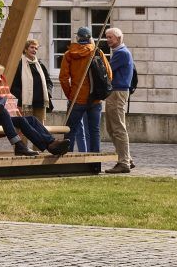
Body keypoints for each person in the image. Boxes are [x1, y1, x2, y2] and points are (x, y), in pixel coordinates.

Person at [59, 27, 110, 154]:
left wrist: (70, 94)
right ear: (90, 38)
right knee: (94, 131)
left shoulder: (69, 54)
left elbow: (63, 78)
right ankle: (95, 162)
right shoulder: (97, 52)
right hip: (95, 98)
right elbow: (108, 74)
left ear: (78, 38)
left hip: (77, 97)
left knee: (70, 130)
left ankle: (67, 158)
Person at [103, 26, 139, 174]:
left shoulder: (121, 53)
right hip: (116, 92)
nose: (107, 40)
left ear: (118, 38)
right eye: (107, 37)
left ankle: (123, 162)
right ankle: (127, 159)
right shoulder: (121, 53)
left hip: (117, 92)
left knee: (117, 128)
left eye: (110, 37)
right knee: (112, 128)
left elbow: (107, 70)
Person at [10, 37, 54, 126]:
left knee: (40, 128)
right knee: (24, 128)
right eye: (32, 47)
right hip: (25, 103)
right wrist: (22, 95)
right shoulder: (19, 65)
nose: (34, 50)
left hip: (40, 103)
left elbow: (48, 81)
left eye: (36, 48)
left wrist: (48, 93)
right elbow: (13, 86)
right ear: (25, 49)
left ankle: (41, 141)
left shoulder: (40, 65)